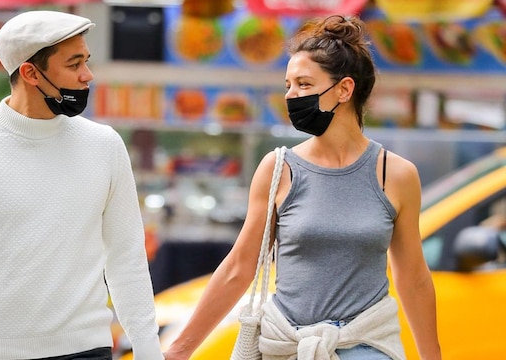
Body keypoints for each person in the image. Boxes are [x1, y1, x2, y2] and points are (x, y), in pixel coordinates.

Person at [164, 15, 441, 360]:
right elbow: (239, 267)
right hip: (286, 346)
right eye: (288, 85)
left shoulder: (396, 174)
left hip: (366, 346)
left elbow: (413, 277)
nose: (291, 96)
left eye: (304, 85)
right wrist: (178, 350)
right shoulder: (279, 169)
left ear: (344, 89)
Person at [0, 10, 163, 360]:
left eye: (86, 61)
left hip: (87, 349)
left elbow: (126, 256)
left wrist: (148, 347)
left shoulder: (105, 146)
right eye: (74, 64)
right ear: (30, 73)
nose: (88, 75)